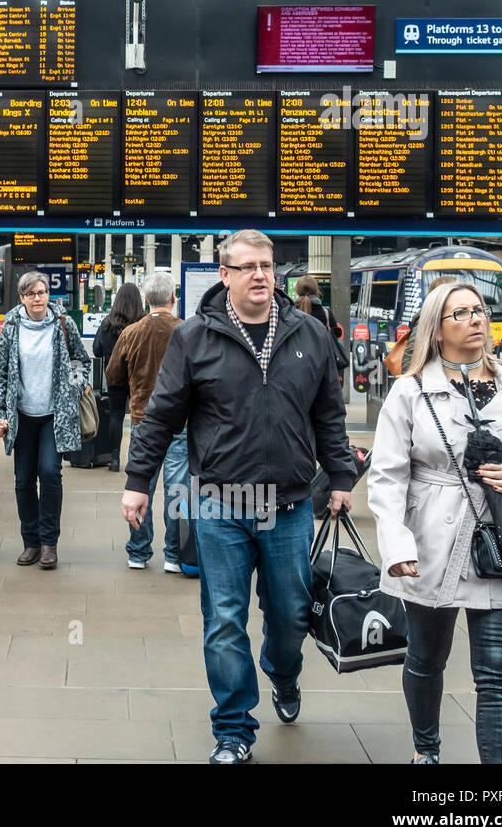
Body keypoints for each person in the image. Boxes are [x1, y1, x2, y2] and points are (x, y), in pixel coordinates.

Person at [120, 229, 355, 765]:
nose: (260, 275)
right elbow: (160, 417)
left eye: (267, 265)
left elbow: (329, 415)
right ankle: (233, 729)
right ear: (224, 275)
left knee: (291, 615)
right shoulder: (194, 337)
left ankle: (284, 673)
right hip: (221, 504)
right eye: (247, 266)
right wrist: (138, 482)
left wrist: (340, 476)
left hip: (290, 505)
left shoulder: (308, 335)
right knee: (224, 618)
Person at [367, 280, 502, 766]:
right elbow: (387, 477)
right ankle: (426, 751)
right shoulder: (410, 392)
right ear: (437, 328)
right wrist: (396, 544)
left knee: (497, 673)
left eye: (480, 311)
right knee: (426, 661)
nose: (475, 320)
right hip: (431, 542)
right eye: (461, 313)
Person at [0, 271, 91, 570]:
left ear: (49, 294)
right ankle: (30, 542)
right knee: (23, 480)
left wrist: (72, 386)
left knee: (49, 473)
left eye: (42, 292)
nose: (38, 298)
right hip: (21, 416)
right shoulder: (10, 327)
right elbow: (0, 374)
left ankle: (49, 543)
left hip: (53, 415)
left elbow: (81, 361)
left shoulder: (63, 323)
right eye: (31, 294)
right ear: (21, 298)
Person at [107, 272, 188, 572]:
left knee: (141, 488)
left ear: (146, 300)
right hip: (182, 423)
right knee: (177, 491)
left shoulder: (131, 333)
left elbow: (113, 375)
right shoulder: (187, 331)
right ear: (173, 298)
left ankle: (138, 553)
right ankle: (174, 556)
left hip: (144, 420)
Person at [93, 282, 145, 474]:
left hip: (115, 376)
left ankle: (114, 459)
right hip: (138, 377)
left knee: (115, 416)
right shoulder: (143, 323)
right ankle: (136, 458)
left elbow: (97, 351)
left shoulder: (107, 323)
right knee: (138, 416)